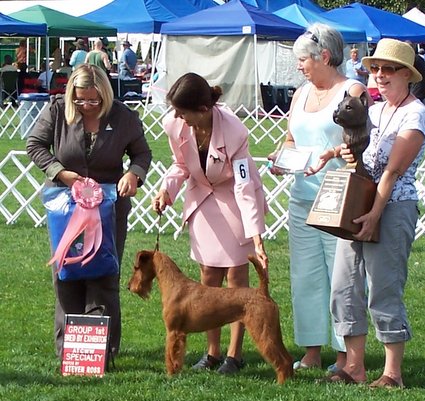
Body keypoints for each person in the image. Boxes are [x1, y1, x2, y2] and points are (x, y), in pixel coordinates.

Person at [26, 64, 152, 358]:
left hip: (108, 209)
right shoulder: (58, 111)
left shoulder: (123, 116)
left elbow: (142, 153)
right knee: (67, 273)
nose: (86, 106)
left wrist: (133, 174)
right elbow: (35, 144)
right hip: (64, 208)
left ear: (105, 95)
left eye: (93, 101)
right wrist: (59, 171)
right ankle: (69, 349)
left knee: (104, 274)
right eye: (80, 100)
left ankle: (101, 350)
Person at [328, 38, 425, 388]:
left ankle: (392, 374)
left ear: (407, 75)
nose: (381, 76)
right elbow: (362, 156)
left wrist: (374, 214)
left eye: (389, 70)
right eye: (376, 69)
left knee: (383, 288)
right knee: (344, 284)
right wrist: (345, 155)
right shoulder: (374, 110)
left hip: (393, 206)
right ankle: (354, 367)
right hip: (360, 203)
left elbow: (392, 172)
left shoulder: (415, 114)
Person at [267, 24, 369, 373]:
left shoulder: (352, 90)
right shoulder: (300, 95)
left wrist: (333, 154)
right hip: (302, 198)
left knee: (342, 279)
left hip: (340, 199)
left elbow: (360, 142)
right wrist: (281, 159)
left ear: (324, 56)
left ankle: (344, 356)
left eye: (303, 60)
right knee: (306, 276)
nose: (299, 66)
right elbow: (292, 140)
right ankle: (311, 351)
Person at [152, 72, 268, 375]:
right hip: (202, 199)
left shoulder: (235, 132)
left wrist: (255, 234)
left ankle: (234, 354)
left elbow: (243, 185)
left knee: (237, 282)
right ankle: (212, 352)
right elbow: (180, 166)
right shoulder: (175, 125)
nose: (178, 117)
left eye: (183, 112)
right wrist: (167, 190)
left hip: (234, 201)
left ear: (203, 109)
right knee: (207, 279)